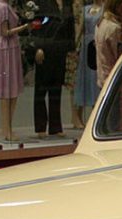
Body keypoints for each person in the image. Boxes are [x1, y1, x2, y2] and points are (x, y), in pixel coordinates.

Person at [30, 0, 74, 137]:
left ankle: (55, 127)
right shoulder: (43, 3)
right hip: (44, 50)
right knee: (41, 89)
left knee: (56, 89)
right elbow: (35, 26)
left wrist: (70, 48)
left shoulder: (67, 4)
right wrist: (38, 47)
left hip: (60, 51)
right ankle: (40, 127)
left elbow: (70, 28)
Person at [0, 0, 32, 142]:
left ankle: (7, 128)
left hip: (9, 47)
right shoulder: (3, 7)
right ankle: (7, 129)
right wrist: (23, 27)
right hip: (7, 48)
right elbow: (5, 32)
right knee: (8, 91)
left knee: (10, 91)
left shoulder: (3, 6)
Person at [72, 0, 101, 127]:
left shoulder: (105, 10)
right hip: (85, 46)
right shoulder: (85, 9)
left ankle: (95, 115)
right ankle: (77, 116)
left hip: (97, 44)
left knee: (95, 77)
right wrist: (75, 46)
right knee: (83, 78)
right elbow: (80, 29)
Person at [94, 0, 121, 90]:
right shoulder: (114, 28)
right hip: (112, 80)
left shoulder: (100, 24)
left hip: (102, 78)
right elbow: (118, 55)